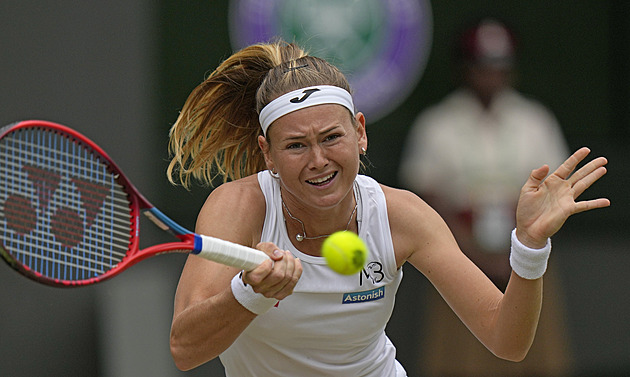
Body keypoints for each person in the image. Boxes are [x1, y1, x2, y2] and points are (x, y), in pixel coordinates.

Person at [167, 40, 609, 377]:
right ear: (268, 153)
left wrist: (529, 246)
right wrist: (249, 293)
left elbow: (506, 341)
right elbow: (185, 349)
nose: (318, 160)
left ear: (359, 132)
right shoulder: (238, 207)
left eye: (331, 138)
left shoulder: (402, 215)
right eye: (296, 145)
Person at [398, 18, 576, 376]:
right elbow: (425, 199)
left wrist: (522, 246)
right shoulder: (437, 124)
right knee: (459, 357)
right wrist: (470, 251)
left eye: (500, 67)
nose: (491, 77)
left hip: (527, 251)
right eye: (482, 67)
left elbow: (555, 195)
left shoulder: (535, 120)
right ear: (465, 70)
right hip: (458, 255)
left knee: (538, 352)